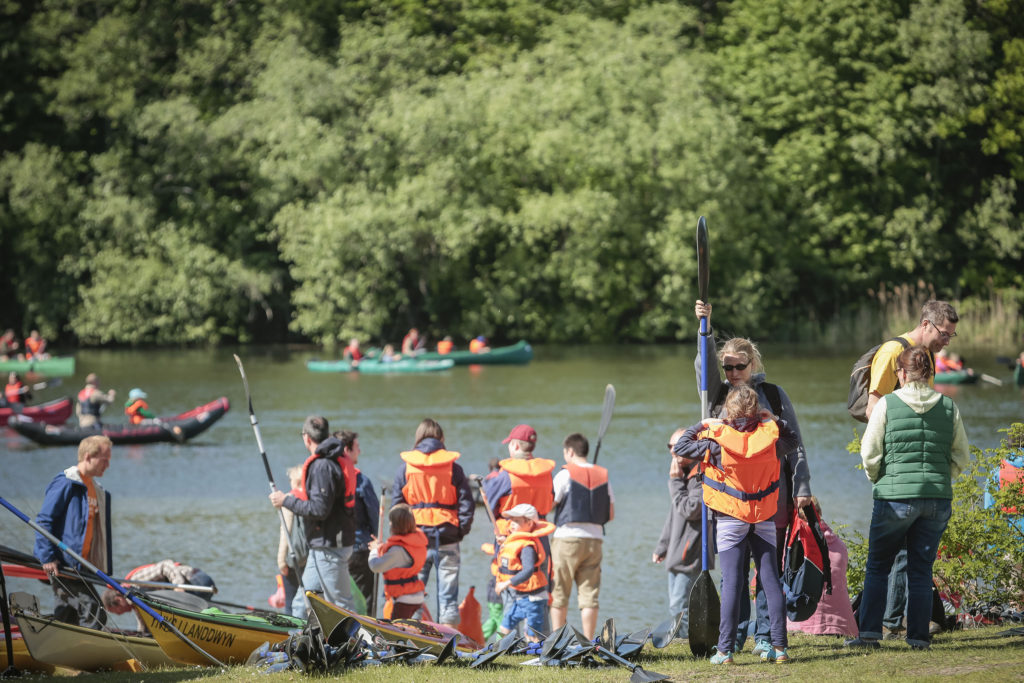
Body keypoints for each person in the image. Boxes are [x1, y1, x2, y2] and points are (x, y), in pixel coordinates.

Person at [694, 300, 812, 655]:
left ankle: (766, 636)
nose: (732, 374)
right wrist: (705, 327)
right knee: (735, 574)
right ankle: (738, 635)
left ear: (753, 364)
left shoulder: (773, 396)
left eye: (739, 367)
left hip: (771, 496)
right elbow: (703, 367)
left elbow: (796, 445)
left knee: (767, 572)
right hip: (730, 500)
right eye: (727, 367)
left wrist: (803, 488)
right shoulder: (716, 396)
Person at [846, 346, 969, 651]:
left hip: (894, 497)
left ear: (901, 374)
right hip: (937, 498)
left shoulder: (887, 405)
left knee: (878, 566)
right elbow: (961, 456)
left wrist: (880, 480)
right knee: (921, 569)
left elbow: (870, 453)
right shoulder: (949, 406)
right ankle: (918, 638)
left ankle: (870, 635)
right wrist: (941, 478)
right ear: (930, 373)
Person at [674, 385, 800, 664]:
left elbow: (681, 447)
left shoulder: (715, 442)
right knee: (770, 580)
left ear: (728, 413)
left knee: (732, 582)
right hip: (763, 516)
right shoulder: (771, 439)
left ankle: (725, 651)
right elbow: (793, 440)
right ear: (757, 412)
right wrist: (774, 420)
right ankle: (779, 648)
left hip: (730, 517)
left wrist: (704, 424)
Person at [864, 300, 959, 638]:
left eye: (951, 335)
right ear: (926, 324)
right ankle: (900, 628)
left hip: (901, 482)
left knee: (894, 561)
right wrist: (882, 472)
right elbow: (874, 403)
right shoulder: (893, 351)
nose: (947, 341)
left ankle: (886, 627)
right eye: (944, 334)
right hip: (904, 475)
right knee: (906, 562)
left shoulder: (925, 357)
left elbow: (922, 409)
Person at [270, 416, 357, 618]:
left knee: (340, 604)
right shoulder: (332, 460)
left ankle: (361, 645)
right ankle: (297, 645)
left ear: (307, 438)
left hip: (330, 546)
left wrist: (286, 501)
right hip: (321, 546)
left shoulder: (322, 467)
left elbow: (319, 510)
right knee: (301, 603)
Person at [391, 418, 475, 626]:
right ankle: (449, 643)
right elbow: (467, 503)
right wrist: (460, 531)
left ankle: (416, 640)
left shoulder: (405, 469)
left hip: (415, 541)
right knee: (448, 598)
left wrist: (402, 536)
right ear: (442, 439)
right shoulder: (453, 468)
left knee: (414, 597)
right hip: (447, 537)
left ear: (417, 438)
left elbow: (397, 507)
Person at [33, 435, 114, 628]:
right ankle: (90, 656)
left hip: (81, 568)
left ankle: (57, 652)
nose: (108, 465)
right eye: (104, 460)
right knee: (94, 611)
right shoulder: (67, 483)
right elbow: (44, 520)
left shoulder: (94, 488)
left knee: (66, 616)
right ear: (88, 457)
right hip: (63, 565)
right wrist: (47, 557)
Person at [549, 432, 613, 639]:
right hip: (595, 540)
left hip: (567, 538)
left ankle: (557, 642)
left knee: (559, 593)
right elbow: (610, 514)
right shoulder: (603, 475)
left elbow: (549, 504)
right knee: (589, 595)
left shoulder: (564, 474)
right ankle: (587, 641)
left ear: (569, 451)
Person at [653, 428, 703, 639]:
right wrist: (662, 546)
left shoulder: (701, 475)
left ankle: (683, 644)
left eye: (677, 446)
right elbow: (674, 516)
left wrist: (674, 483)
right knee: (676, 604)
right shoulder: (684, 477)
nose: (673, 452)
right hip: (675, 553)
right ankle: (682, 640)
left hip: (688, 554)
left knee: (679, 606)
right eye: (670, 447)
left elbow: (692, 510)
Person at [787, 497, 858, 637]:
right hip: (842, 626)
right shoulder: (839, 545)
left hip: (800, 623)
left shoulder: (793, 545)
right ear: (819, 512)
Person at [495, 503, 556, 642]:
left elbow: (528, 570)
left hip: (533, 599)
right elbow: (514, 546)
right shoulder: (517, 541)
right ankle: (499, 649)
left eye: (517, 521)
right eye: (511, 521)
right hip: (520, 598)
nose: (512, 524)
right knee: (506, 625)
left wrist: (506, 583)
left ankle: (537, 654)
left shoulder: (528, 546)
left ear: (529, 523)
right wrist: (506, 542)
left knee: (532, 634)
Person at [337, 429, 380, 616]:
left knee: (339, 599)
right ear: (347, 450)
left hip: (335, 548)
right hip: (360, 548)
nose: (360, 452)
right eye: (357, 447)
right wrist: (376, 538)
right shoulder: (360, 480)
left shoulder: (329, 476)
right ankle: (366, 635)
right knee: (365, 599)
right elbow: (374, 514)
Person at [368, 503, 428, 619]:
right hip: (416, 596)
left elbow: (375, 566)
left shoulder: (398, 550)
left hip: (405, 600)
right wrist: (381, 547)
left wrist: (374, 551)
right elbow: (398, 557)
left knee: (396, 631)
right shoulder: (415, 543)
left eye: (390, 522)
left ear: (395, 526)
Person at [275, 465, 305, 615]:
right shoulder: (310, 500)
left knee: (290, 603)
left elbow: (285, 532)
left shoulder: (288, 500)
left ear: (294, 481)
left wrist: (281, 561)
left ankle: (291, 635)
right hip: (310, 560)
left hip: (293, 562)